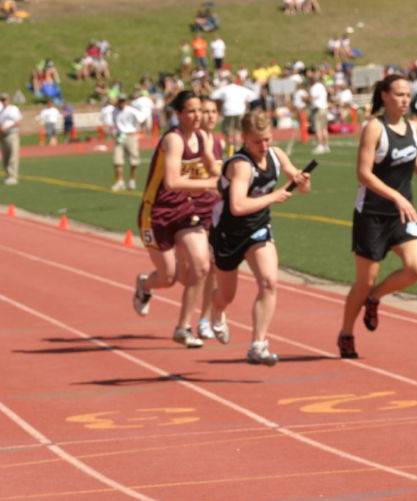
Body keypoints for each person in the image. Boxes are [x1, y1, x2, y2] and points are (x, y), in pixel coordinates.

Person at [337, 74, 417, 359]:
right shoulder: (374, 128)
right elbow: (363, 173)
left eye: (408, 94)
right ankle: (346, 332)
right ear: (384, 96)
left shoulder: (413, 126)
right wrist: (394, 195)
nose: (405, 99)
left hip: (402, 213)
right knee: (364, 281)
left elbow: (412, 154)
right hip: (372, 215)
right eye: (399, 94)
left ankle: (375, 300)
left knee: (416, 268)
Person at [208, 109, 312, 364]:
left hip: (258, 228)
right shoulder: (241, 165)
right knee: (226, 295)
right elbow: (238, 206)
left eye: (267, 139)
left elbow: (304, 188)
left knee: (269, 282)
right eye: (257, 141)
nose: (264, 146)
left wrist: (302, 180)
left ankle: (258, 345)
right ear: (244, 138)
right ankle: (216, 309)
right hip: (228, 233)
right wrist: (273, 197)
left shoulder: (276, 155)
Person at [133, 90, 219, 348]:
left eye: (200, 111)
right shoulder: (174, 140)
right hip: (157, 212)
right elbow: (171, 182)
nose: (197, 116)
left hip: (185, 210)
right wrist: (207, 184)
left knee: (202, 266)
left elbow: (215, 168)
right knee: (168, 277)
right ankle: (145, 285)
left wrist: (235, 177)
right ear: (179, 114)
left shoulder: (202, 137)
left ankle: (183, 327)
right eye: (191, 111)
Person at [193, 96, 225, 340]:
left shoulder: (217, 140)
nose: (210, 116)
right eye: (205, 111)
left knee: (211, 268)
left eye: (214, 111)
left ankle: (205, 317)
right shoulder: (191, 142)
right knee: (192, 270)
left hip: (213, 211)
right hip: (190, 211)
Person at [210, 73, 257, 155]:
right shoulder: (241, 89)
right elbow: (253, 96)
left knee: (228, 133)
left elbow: (213, 95)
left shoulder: (224, 89)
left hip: (228, 112)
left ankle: (230, 150)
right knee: (238, 132)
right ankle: (237, 149)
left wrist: (221, 100)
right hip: (240, 111)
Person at [111, 94, 146, 191]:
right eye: (120, 101)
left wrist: (140, 129)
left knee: (134, 160)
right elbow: (115, 122)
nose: (122, 103)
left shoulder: (131, 110)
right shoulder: (115, 111)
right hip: (120, 136)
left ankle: (132, 180)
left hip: (130, 135)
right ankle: (120, 181)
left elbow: (142, 118)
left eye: (123, 101)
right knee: (117, 160)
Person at [0, 93, 21, 185]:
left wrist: (7, 127)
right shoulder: (1, 111)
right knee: (5, 157)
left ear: (8, 100)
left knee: (13, 155)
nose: (4, 101)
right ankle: (8, 175)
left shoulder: (13, 109)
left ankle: (13, 176)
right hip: (3, 136)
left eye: (5, 99)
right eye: (2, 100)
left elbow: (18, 122)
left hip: (12, 134)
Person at [309, 71, 330, 154]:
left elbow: (313, 98)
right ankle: (326, 146)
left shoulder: (314, 87)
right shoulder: (322, 86)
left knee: (318, 128)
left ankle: (320, 145)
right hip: (324, 108)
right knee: (324, 128)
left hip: (317, 109)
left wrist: (306, 99)